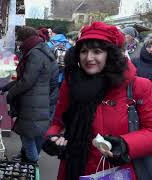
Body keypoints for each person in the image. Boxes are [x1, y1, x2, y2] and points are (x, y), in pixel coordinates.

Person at [42, 21, 152, 180]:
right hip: (73, 168)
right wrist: (52, 137)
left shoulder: (139, 87)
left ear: (110, 54)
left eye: (97, 51)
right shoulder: (71, 83)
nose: (89, 58)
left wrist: (125, 144)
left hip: (115, 172)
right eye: (84, 51)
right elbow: (58, 122)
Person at [0, 26, 59, 163]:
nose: (18, 43)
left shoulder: (35, 53)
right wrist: (7, 87)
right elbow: (31, 78)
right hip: (41, 100)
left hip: (33, 102)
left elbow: (27, 81)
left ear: (25, 39)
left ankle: (32, 161)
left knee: (27, 135)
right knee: (36, 134)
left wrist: (10, 94)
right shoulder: (43, 50)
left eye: (19, 40)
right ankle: (28, 159)